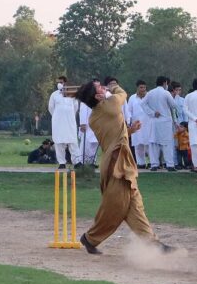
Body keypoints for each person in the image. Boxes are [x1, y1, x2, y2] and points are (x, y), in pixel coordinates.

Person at [74, 80, 172, 254]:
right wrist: (114, 87)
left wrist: (130, 130)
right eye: (100, 87)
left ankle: (153, 243)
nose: (104, 88)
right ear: (98, 96)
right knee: (115, 208)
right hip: (115, 165)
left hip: (121, 162)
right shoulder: (109, 104)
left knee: (135, 206)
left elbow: (115, 134)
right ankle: (90, 238)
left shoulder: (96, 115)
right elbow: (123, 94)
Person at [141, 76, 177, 171]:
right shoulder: (166, 93)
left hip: (154, 121)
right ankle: (170, 165)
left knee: (153, 143)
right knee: (167, 143)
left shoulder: (150, 93)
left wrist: (152, 113)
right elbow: (173, 105)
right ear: (165, 83)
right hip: (165, 121)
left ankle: (154, 164)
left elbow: (142, 104)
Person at [48, 75, 81, 169]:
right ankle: (62, 162)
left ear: (65, 83)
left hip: (70, 121)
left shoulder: (72, 94)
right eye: (58, 82)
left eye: (61, 82)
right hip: (58, 122)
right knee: (59, 142)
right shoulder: (54, 95)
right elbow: (51, 108)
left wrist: (68, 115)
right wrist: (57, 116)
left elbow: (75, 107)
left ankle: (77, 162)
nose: (60, 84)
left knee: (72, 141)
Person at [127, 80, 151, 169]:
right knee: (138, 145)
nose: (143, 89)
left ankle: (152, 162)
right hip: (136, 124)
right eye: (141, 87)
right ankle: (141, 163)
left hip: (148, 123)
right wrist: (129, 122)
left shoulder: (149, 96)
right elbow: (129, 111)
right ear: (137, 88)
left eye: (144, 87)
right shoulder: (132, 98)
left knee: (149, 144)